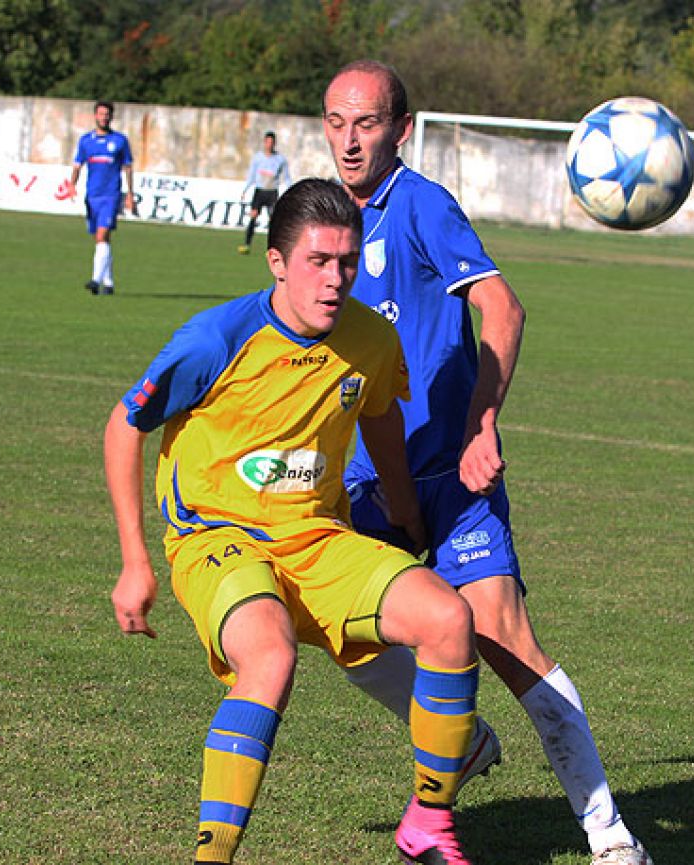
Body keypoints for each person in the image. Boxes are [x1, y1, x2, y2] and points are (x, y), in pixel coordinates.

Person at [321, 60, 653, 865]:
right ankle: (461, 741)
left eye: (366, 123)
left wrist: (481, 421)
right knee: (341, 631)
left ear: (402, 129)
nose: (349, 140)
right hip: (369, 479)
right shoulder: (323, 222)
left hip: (453, 478)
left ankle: (608, 833)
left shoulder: (423, 206)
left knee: (503, 640)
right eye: (335, 122)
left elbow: (502, 305)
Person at [104, 177, 483, 865]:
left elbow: (381, 416)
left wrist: (401, 509)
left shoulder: (370, 337)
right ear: (276, 261)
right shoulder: (215, 339)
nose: (335, 279)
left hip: (317, 537)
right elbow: (123, 425)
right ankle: (211, 857)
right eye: (317, 261)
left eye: (346, 260)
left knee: (449, 620)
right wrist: (135, 561)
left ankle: (428, 821)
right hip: (219, 538)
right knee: (270, 654)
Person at [64, 100, 136, 295]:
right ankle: (109, 282)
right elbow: (78, 165)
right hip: (92, 195)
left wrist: (130, 194)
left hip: (110, 195)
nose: (104, 117)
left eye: (107, 114)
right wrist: (72, 185)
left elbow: (128, 168)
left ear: (111, 117)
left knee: (102, 235)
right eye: (101, 114)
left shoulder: (120, 141)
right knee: (101, 239)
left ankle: (95, 280)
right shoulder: (86, 140)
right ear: (95, 116)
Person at [237, 130, 291, 255]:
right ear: (264, 142)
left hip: (272, 192)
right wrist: (245, 189)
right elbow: (251, 175)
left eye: (272, 142)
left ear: (275, 143)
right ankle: (247, 244)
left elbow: (286, 177)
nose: (269, 144)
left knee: (273, 220)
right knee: (253, 216)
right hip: (259, 191)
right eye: (267, 142)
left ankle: (274, 248)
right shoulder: (258, 158)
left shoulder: (280, 159)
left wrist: (290, 190)